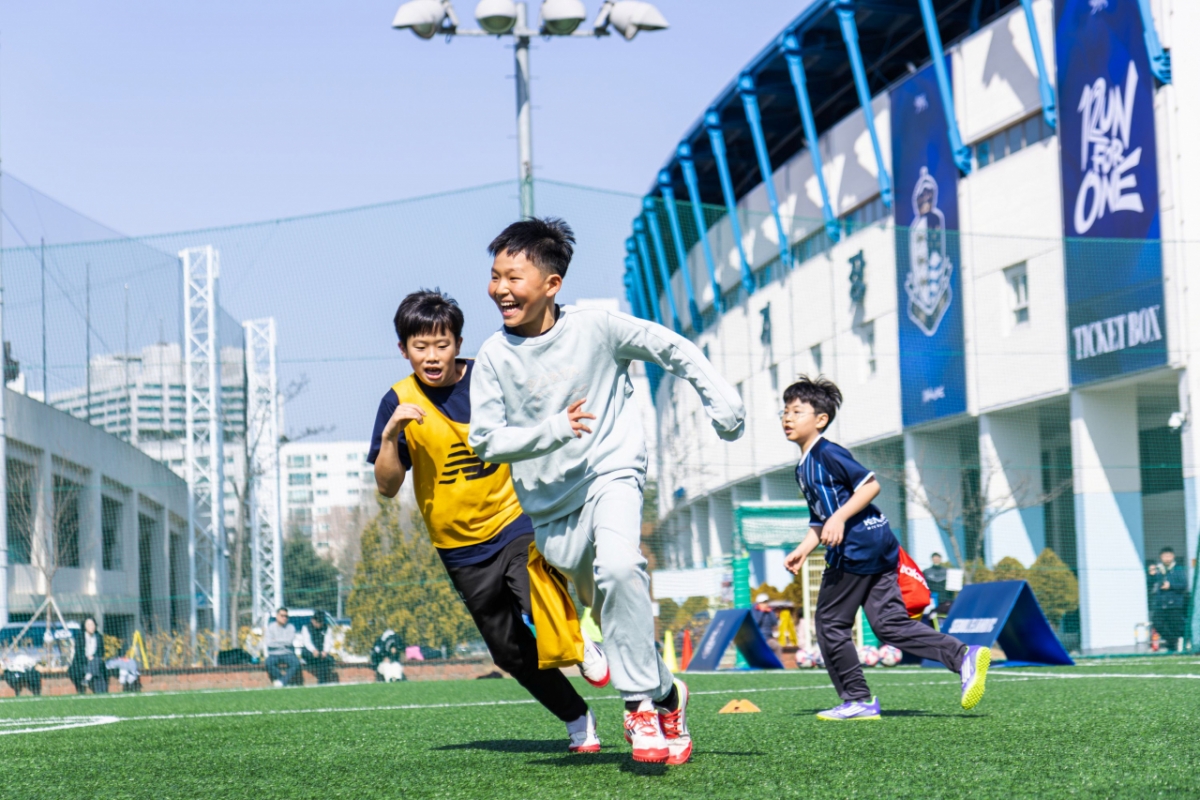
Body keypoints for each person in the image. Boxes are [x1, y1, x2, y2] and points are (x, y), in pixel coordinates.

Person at [468, 218, 746, 765]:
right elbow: (485, 442)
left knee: (621, 567)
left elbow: (671, 347)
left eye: (513, 276)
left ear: (552, 284)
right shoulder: (494, 357)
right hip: (552, 511)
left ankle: (640, 705)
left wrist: (722, 401)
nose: (500, 288)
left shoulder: (596, 326)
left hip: (612, 471)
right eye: (495, 275)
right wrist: (552, 430)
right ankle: (669, 693)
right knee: (617, 620)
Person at [369, 288, 609, 754]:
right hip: (459, 548)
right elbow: (387, 486)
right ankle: (577, 716)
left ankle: (580, 645)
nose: (432, 356)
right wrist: (390, 435)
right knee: (509, 652)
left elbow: (537, 419)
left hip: (515, 517)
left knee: (535, 587)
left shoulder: (489, 377)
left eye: (442, 344)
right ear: (403, 350)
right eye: (421, 347)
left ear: (458, 342)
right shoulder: (396, 402)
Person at [781, 375, 990, 720]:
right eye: (785, 411)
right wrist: (805, 547)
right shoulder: (803, 468)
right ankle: (963, 655)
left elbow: (869, 486)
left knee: (831, 624)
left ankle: (857, 700)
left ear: (821, 419)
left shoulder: (828, 452)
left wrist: (839, 519)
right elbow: (821, 518)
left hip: (858, 547)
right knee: (889, 625)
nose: (788, 418)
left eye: (797, 411)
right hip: (877, 544)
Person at [1149, 546, 1187, 652]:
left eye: (1169, 556)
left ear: (1173, 556)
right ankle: (1172, 641)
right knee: (1157, 622)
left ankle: (1179, 644)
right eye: (1165, 556)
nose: (1167, 558)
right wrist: (1151, 575)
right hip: (1160, 603)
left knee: (1175, 625)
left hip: (1175, 603)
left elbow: (1183, 585)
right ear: (1161, 557)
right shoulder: (1158, 570)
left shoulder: (1178, 569)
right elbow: (1150, 584)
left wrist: (1170, 586)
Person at [263, 606, 302, 687]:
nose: (284, 618)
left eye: (286, 616)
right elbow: (269, 643)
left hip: (288, 653)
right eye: (282, 616)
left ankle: (281, 682)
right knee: (268, 663)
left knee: (296, 664)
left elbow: (289, 642)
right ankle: (283, 681)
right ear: (277, 616)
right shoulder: (271, 627)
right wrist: (282, 643)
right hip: (274, 654)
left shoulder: (291, 627)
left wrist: (276, 640)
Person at [68, 617, 108, 694]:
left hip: (95, 661)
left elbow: (101, 652)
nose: (91, 627)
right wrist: (87, 658)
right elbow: (78, 652)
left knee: (97, 661)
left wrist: (93, 657)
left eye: (92, 624)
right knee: (97, 672)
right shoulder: (80, 637)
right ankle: (91, 679)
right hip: (83, 662)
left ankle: (88, 676)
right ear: (85, 626)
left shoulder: (98, 636)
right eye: (89, 625)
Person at [299, 610, 337, 684]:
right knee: (320, 660)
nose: (319, 624)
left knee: (325, 660)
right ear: (313, 620)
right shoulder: (306, 628)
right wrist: (314, 650)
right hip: (309, 652)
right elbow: (307, 642)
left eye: (321, 622)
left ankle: (322, 682)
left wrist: (325, 651)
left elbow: (328, 642)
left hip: (321, 653)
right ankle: (323, 682)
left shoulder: (326, 628)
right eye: (318, 622)